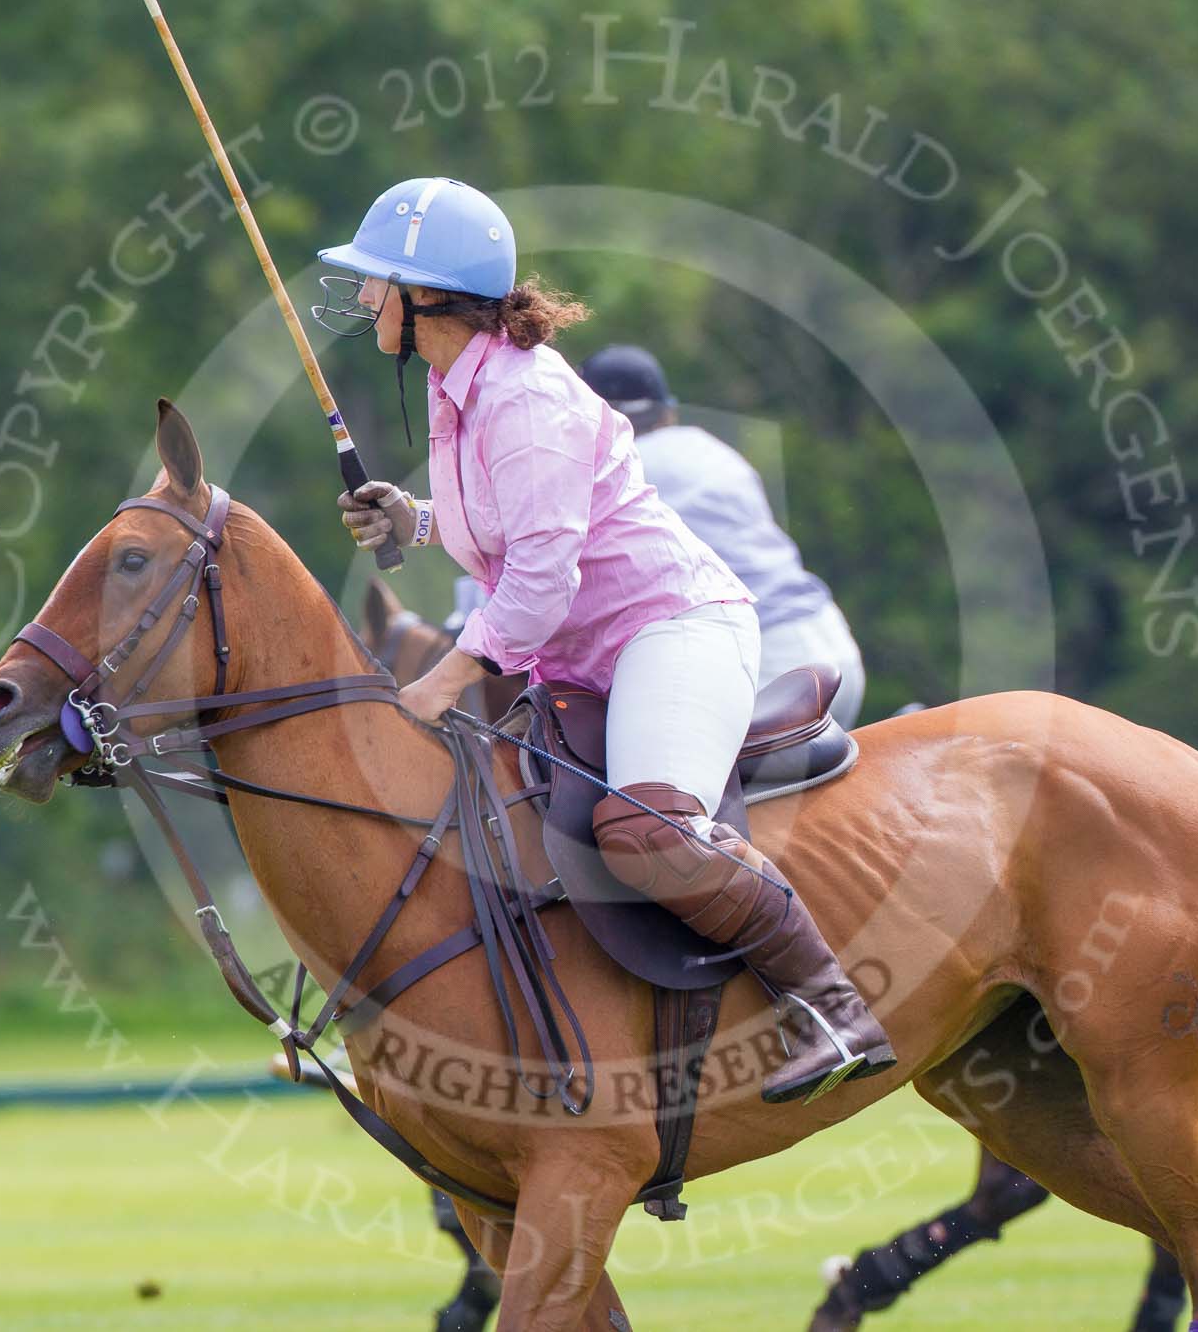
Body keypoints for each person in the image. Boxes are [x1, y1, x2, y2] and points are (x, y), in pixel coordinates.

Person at [313, 176, 893, 1104]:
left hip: (672, 632)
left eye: (378, 279)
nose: (365, 297)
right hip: (586, 660)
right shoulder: (458, 384)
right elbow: (514, 522)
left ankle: (834, 1006)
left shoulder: (524, 397)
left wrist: (446, 676)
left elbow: (543, 579)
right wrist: (415, 518)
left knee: (646, 829)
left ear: (429, 297)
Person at [577, 345, 868, 729]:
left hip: (766, 662)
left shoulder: (615, 470)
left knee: (663, 779)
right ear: (668, 410)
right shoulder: (712, 448)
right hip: (831, 642)